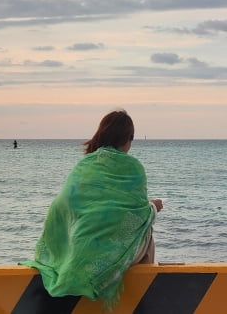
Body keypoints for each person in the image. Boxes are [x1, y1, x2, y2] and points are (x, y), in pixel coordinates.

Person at [22, 110, 163, 307]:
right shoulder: (133, 167)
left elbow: (62, 206)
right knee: (146, 226)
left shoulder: (85, 165)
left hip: (79, 248)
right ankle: (141, 300)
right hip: (111, 253)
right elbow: (137, 216)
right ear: (128, 139)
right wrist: (154, 207)